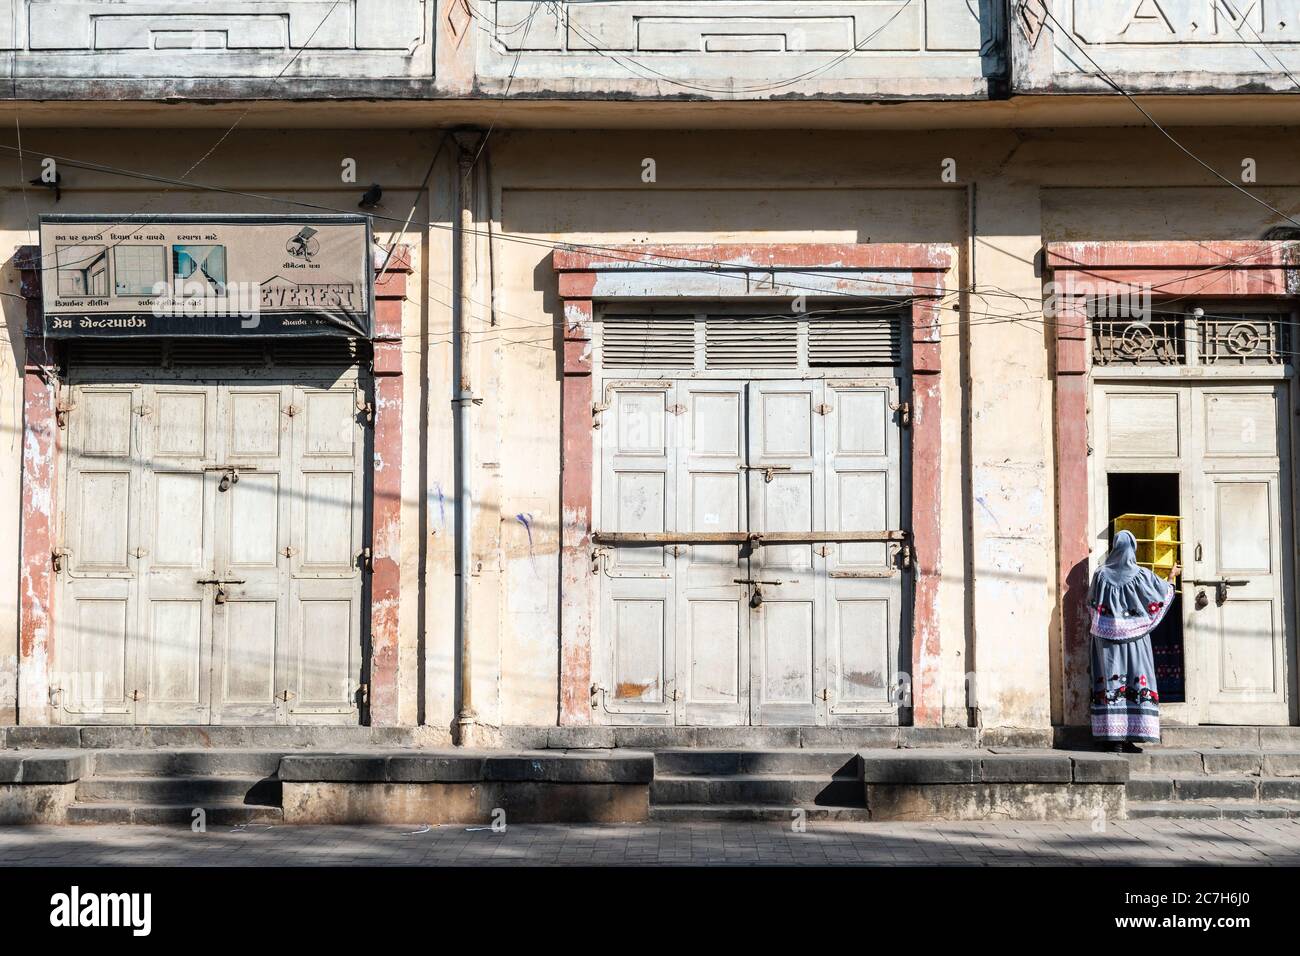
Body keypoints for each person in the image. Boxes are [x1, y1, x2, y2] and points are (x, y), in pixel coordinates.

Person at [1088, 530, 1179, 753]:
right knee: (1135, 680)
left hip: (1105, 641)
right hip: (1136, 639)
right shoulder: (1142, 575)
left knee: (1111, 682)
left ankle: (1114, 738)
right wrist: (1171, 577)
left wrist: (1108, 621)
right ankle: (1129, 735)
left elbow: (1090, 603)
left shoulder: (1100, 575)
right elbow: (1162, 595)